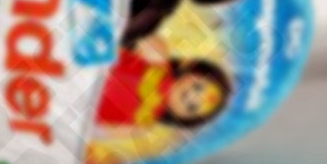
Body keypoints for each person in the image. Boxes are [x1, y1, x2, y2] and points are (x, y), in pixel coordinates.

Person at [95, 50, 232, 131]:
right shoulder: (159, 60)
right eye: (197, 87)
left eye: (192, 107)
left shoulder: (144, 123)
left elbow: (99, 130)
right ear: (192, 69)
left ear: (181, 119)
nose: (191, 96)